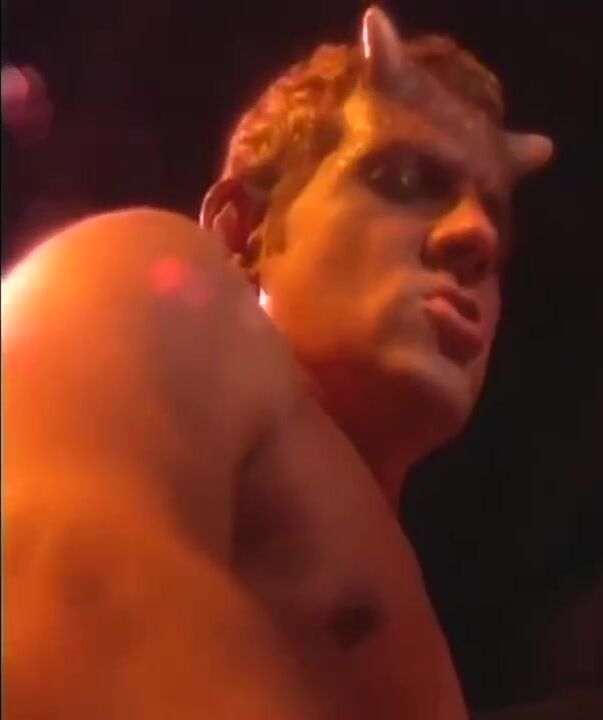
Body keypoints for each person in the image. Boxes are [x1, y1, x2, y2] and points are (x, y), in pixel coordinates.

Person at [2, 7, 552, 719]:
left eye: (495, 220)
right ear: (244, 229)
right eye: (403, 180)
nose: (476, 236)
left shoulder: (409, 600)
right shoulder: (156, 276)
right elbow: (52, 572)